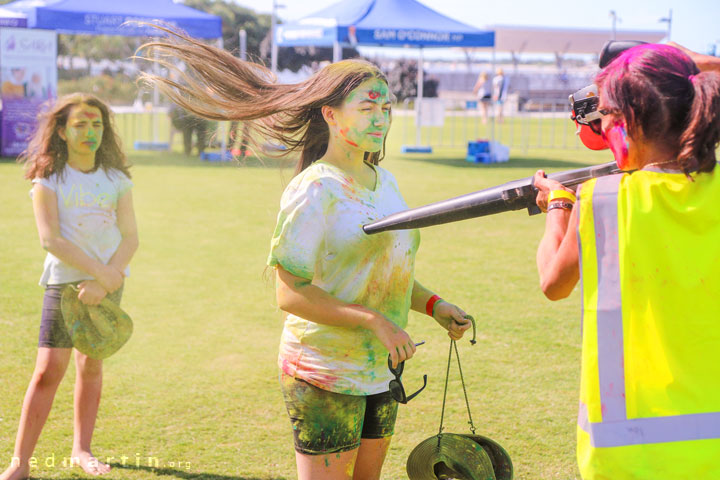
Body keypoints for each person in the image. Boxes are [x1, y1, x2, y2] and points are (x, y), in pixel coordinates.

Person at [137, 27, 473, 480]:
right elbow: (290, 294)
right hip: (324, 369)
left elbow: (384, 273)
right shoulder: (316, 189)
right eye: (368, 107)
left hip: (380, 369)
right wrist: (374, 320)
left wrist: (434, 306)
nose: (381, 119)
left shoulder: (386, 183)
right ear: (331, 116)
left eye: (387, 108)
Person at [533, 44, 720, 479]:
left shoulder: (601, 200)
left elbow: (553, 283)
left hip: (626, 450)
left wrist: (558, 207)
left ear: (627, 122)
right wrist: (690, 63)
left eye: (608, 117)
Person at [0, 93, 138, 480]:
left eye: (97, 124)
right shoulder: (49, 179)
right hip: (65, 284)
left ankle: (82, 449)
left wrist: (105, 279)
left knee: (90, 365)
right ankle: (20, 463)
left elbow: (130, 237)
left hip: (106, 282)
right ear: (61, 131)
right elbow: (51, 240)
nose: (90, 131)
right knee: (48, 369)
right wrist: (99, 274)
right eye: (80, 124)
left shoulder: (117, 180)